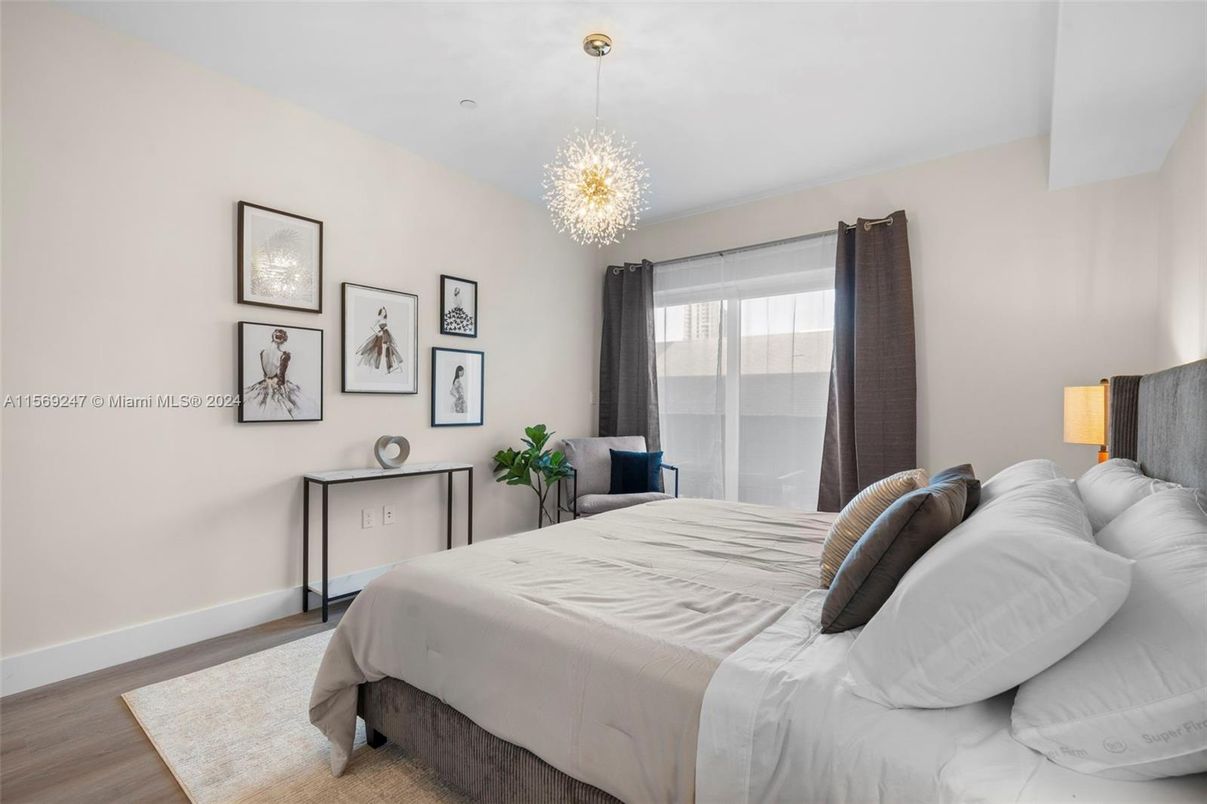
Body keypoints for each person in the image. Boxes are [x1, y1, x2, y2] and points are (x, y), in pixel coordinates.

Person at [356, 306, 403, 373]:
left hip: (386, 335)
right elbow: (372, 327)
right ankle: (380, 366)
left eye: (385, 312)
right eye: (383, 312)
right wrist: (378, 333)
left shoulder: (385, 319)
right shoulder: (378, 319)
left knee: (388, 349)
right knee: (379, 350)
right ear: (380, 312)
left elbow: (387, 327)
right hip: (380, 336)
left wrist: (386, 331)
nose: (384, 313)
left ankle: (388, 366)